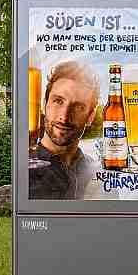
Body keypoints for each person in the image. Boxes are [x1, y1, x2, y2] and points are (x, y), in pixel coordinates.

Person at [28, 61, 102, 200]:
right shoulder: (26, 170)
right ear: (45, 105)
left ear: (91, 116)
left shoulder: (98, 174)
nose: (64, 116)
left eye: (78, 107)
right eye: (58, 101)